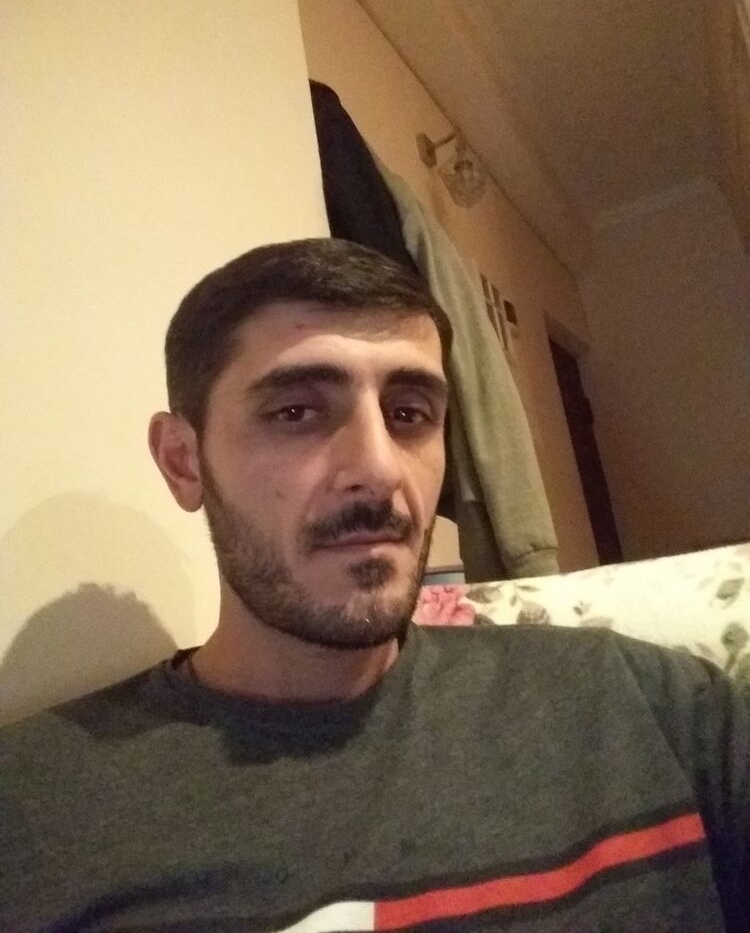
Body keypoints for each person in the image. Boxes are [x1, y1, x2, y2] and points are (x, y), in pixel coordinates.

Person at [1, 238, 748, 932]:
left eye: (409, 414)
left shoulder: (647, 705)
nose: (381, 469)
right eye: (296, 412)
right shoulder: (33, 813)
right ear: (184, 462)